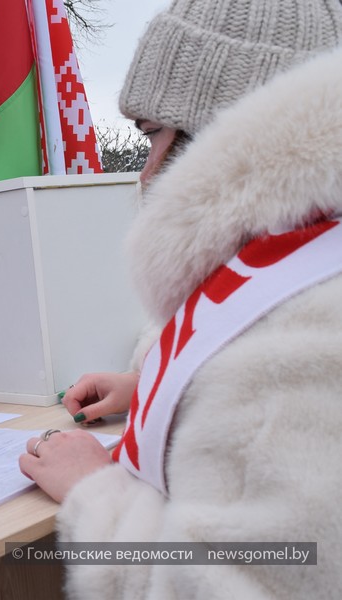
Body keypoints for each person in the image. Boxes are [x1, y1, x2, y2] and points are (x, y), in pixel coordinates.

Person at [19, 1, 342, 597]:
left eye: (153, 136)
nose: (145, 174)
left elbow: (229, 585)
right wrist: (157, 391)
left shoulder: (297, 340)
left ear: (222, 131)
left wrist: (93, 489)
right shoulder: (311, 274)